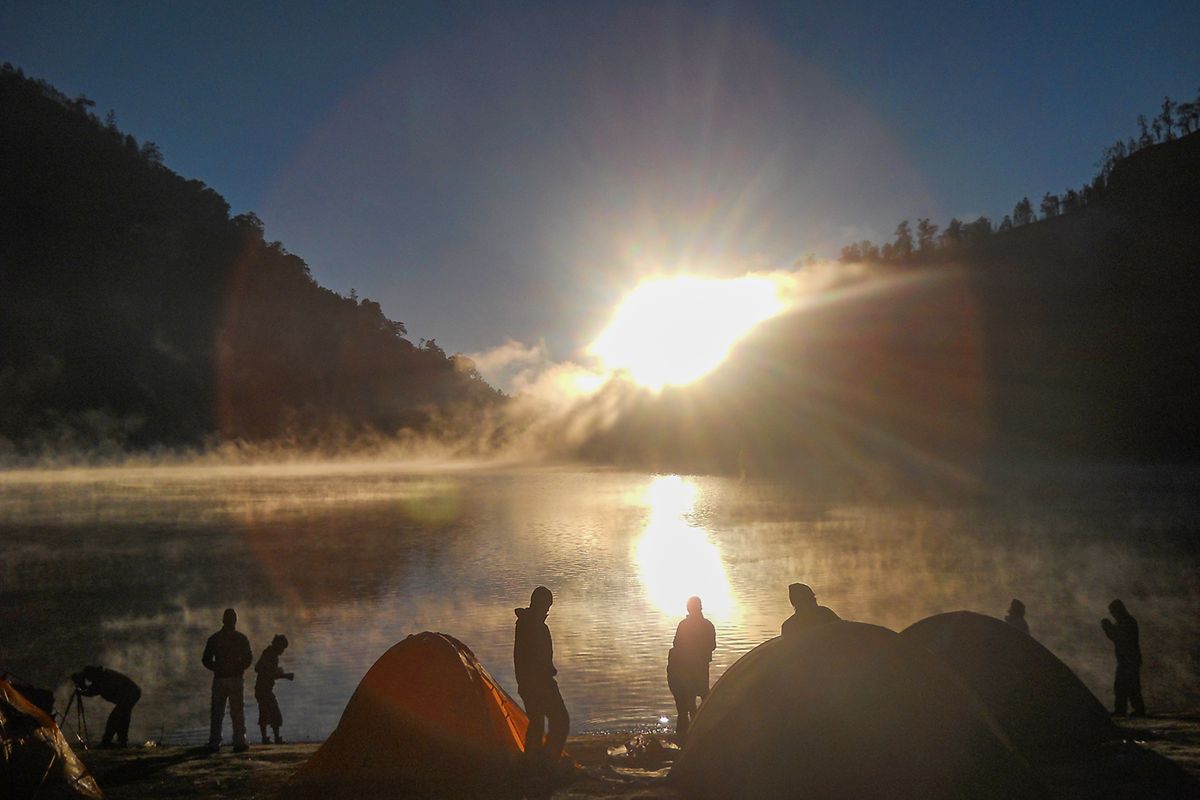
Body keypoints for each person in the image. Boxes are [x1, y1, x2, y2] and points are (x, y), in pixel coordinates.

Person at [514, 586, 569, 772]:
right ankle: (547, 761)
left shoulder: (527, 623)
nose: (548, 611)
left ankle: (536, 760)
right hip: (538, 683)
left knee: (537, 722)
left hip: (530, 683)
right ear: (539, 604)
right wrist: (546, 677)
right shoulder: (533, 626)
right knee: (560, 720)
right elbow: (533, 659)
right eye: (546, 606)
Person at [202, 608, 253, 752]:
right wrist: (240, 668)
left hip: (219, 679)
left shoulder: (214, 638)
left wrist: (217, 668)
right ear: (235, 621)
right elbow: (249, 658)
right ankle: (239, 741)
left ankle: (214, 742)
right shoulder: (241, 638)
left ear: (223, 620)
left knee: (217, 712)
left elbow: (205, 660)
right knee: (237, 711)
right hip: (236, 678)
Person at [667, 596, 716, 741]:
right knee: (695, 698)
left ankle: (692, 731)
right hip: (694, 667)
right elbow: (712, 646)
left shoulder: (686, 625)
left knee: (689, 700)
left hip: (691, 667)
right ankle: (699, 729)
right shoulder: (706, 625)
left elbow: (676, 644)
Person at [72, 665, 141, 748]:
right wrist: (81, 686)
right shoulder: (101, 675)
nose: (89, 680)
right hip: (132, 693)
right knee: (122, 717)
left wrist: (81, 688)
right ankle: (121, 741)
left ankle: (108, 741)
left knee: (115, 717)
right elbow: (91, 689)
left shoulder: (103, 678)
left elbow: (91, 691)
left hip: (130, 694)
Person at [1102, 599, 1145, 716]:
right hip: (1128, 659)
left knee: (1128, 686)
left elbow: (1119, 639)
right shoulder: (1125, 622)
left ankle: (1130, 710)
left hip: (1129, 659)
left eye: (1112, 612)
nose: (1112, 615)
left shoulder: (1127, 622)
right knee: (1126, 686)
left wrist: (1108, 628)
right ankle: (1127, 709)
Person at [254, 634, 294, 744]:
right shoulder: (270, 655)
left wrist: (276, 672)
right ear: (277, 645)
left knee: (265, 712)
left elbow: (259, 669)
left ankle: (265, 738)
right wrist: (285, 676)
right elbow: (263, 671)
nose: (282, 651)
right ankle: (275, 738)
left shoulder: (268, 653)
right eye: (282, 648)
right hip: (263, 689)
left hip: (262, 689)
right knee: (274, 713)